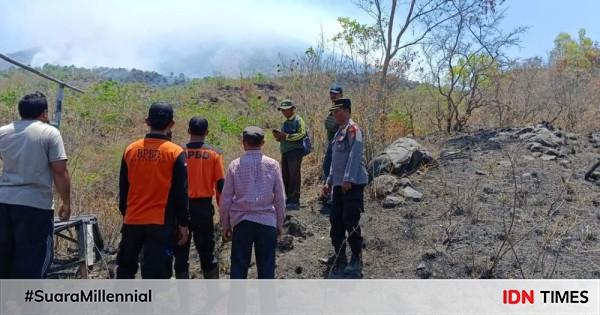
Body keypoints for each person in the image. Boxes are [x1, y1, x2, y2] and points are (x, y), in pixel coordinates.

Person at [0, 92, 71, 279]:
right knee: (32, 260)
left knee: (5, 258)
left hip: (4, 204)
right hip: (35, 206)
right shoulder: (49, 133)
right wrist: (66, 202)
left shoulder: (3, 132)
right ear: (45, 113)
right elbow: (59, 170)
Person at [117, 101, 190, 279]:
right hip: (160, 223)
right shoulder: (175, 152)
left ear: (147, 121)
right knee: (155, 275)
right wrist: (183, 223)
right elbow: (181, 192)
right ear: (171, 124)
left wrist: (126, 214)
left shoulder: (131, 150)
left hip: (132, 220)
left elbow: (123, 188)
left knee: (125, 270)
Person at [220, 126, 286, 279]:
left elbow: (226, 199)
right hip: (267, 221)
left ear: (244, 143)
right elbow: (280, 197)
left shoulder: (235, 165)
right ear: (263, 142)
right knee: (267, 269)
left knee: (238, 268)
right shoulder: (273, 165)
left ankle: (237, 303)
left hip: (242, 222)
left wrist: (226, 225)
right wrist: (279, 223)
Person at [173, 117, 225, 279]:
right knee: (207, 253)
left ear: (189, 131)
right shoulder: (214, 154)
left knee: (181, 254)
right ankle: (213, 296)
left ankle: (184, 301)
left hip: (180, 208)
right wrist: (223, 214)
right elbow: (220, 187)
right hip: (203, 209)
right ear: (207, 132)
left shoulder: (178, 152)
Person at [322, 98, 368, 277]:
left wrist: (348, 179)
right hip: (339, 185)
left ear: (347, 111)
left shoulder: (353, 129)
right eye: (333, 111)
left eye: (337, 110)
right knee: (336, 221)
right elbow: (335, 161)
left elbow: (355, 155)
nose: (334, 114)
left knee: (351, 220)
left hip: (352, 185)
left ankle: (356, 257)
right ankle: (339, 255)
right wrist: (329, 181)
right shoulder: (338, 132)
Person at [272, 100, 307, 211]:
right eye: (282, 110)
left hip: (295, 152)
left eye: (285, 110)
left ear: (292, 109)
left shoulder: (298, 120)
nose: (283, 112)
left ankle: (295, 200)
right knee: (286, 175)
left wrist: (285, 136)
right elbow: (284, 137)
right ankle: (287, 198)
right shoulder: (285, 122)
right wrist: (279, 137)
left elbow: (302, 134)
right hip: (286, 152)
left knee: (294, 175)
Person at [321, 84, 344, 213]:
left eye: (335, 93)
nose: (333, 95)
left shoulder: (342, 108)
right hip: (332, 142)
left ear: (341, 94)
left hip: (338, 143)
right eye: (331, 93)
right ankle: (328, 195)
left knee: (332, 168)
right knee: (327, 167)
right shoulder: (334, 108)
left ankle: (333, 198)